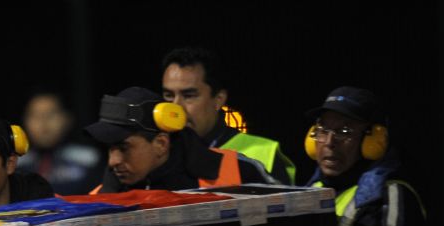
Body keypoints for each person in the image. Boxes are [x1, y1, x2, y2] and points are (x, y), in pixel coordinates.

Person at [304, 86, 428, 226]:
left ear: (373, 140)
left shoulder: (392, 195)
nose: (329, 142)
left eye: (344, 132)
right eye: (322, 129)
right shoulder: (309, 195)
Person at [84, 86, 277, 193]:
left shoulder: (238, 172)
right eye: (110, 149)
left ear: (161, 144)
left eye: (124, 148)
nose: (113, 161)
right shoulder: (99, 199)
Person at [161, 46, 296, 185]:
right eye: (168, 96)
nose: (176, 108)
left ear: (218, 99)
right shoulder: (155, 155)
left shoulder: (265, 153)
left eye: (189, 96)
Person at [16, 90, 106, 195]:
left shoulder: (89, 159)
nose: (43, 124)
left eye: (51, 115)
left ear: (67, 119)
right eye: (36, 116)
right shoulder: (15, 164)